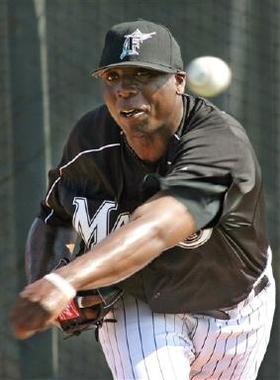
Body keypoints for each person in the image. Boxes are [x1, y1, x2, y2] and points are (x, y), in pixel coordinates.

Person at [11, 20, 275, 380]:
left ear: (179, 82)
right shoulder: (90, 140)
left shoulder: (220, 143)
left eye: (142, 74)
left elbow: (158, 227)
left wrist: (64, 282)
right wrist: (50, 280)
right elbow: (53, 217)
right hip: (139, 304)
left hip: (233, 307)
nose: (124, 89)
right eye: (113, 76)